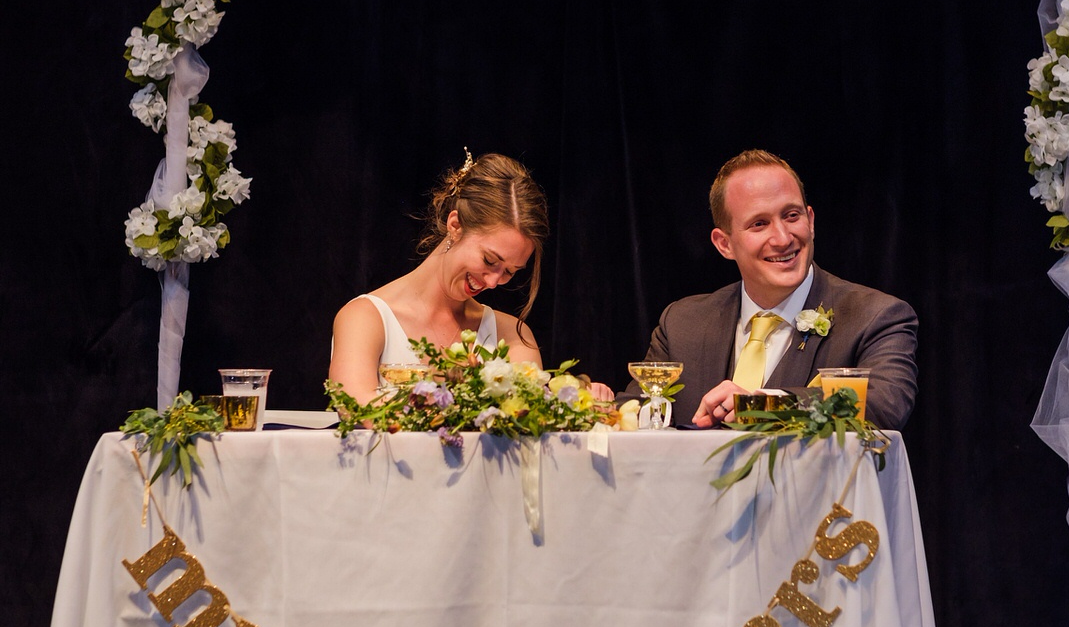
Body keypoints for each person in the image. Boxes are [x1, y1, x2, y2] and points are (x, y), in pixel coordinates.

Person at [624, 149, 917, 430]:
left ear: (811, 221)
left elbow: (883, 405)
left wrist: (765, 406)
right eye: (759, 223)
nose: (782, 238)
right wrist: (590, 404)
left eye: (791, 216)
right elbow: (636, 413)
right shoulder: (681, 324)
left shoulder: (875, 316)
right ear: (724, 243)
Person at [331, 151, 612, 405]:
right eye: (490, 260)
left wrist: (575, 405)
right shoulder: (365, 318)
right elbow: (355, 408)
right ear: (455, 225)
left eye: (510, 272)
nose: (492, 282)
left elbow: (526, 425)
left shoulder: (513, 336)